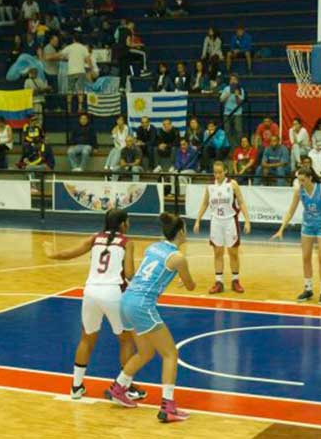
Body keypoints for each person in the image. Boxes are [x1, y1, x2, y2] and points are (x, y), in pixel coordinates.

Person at [43, 209, 146, 401]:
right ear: (123, 223)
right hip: (113, 292)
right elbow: (130, 273)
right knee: (125, 340)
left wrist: (51, 253)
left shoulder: (95, 238)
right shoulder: (127, 242)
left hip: (90, 292)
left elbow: (69, 253)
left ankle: (76, 387)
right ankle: (125, 386)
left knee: (86, 339)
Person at [104, 213, 196, 423]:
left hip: (126, 300)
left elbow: (149, 273)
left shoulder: (152, 247)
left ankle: (119, 387)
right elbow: (191, 285)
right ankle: (168, 407)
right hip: (141, 305)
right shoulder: (178, 258)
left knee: (145, 352)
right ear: (181, 232)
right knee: (170, 354)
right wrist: (184, 279)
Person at [272, 168, 321, 305]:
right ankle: (308, 289)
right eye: (299, 180)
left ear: (310, 178)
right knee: (306, 256)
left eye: (303, 180)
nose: (301, 183)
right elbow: (291, 211)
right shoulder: (299, 191)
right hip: (308, 224)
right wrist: (281, 228)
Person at [194, 160, 252, 293]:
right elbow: (204, 204)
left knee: (233, 252)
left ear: (225, 171)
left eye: (220, 172)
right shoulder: (210, 187)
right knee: (217, 252)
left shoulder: (232, 184)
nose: (217, 175)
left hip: (230, 221)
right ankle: (219, 282)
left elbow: (242, 202)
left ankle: (235, 280)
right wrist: (198, 220)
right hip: (216, 222)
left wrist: (247, 221)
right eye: (215, 172)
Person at [60, 33, 91, 113]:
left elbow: (61, 55)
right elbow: (88, 60)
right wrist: (91, 68)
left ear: (73, 39)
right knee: (80, 90)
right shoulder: (83, 48)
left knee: (70, 90)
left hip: (71, 71)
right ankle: (80, 108)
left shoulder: (69, 47)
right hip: (81, 71)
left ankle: (69, 108)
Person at [219, 74, 245, 148]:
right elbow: (221, 100)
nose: (233, 81)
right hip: (227, 113)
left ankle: (238, 148)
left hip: (237, 113)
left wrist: (237, 95)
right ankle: (229, 149)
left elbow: (240, 103)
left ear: (237, 81)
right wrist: (227, 94)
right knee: (227, 132)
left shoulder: (241, 90)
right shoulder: (226, 89)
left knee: (238, 131)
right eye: (231, 79)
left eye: (234, 79)